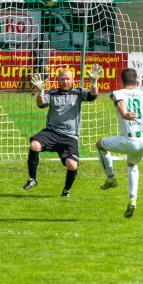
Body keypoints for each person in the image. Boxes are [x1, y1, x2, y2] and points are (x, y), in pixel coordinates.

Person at [23, 65, 103, 197]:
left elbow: (92, 96)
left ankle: (66, 190)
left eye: (68, 79)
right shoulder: (53, 93)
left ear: (72, 80)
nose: (65, 82)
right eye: (62, 79)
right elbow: (40, 104)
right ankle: (33, 179)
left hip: (70, 136)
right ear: (58, 80)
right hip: (52, 132)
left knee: (72, 165)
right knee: (34, 145)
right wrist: (40, 92)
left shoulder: (78, 92)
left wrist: (94, 83)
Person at [96, 68, 143, 218]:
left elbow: (120, 102)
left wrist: (124, 113)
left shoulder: (117, 93)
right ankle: (132, 199)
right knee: (132, 165)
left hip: (129, 140)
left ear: (121, 81)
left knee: (100, 145)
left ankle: (110, 178)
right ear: (136, 82)